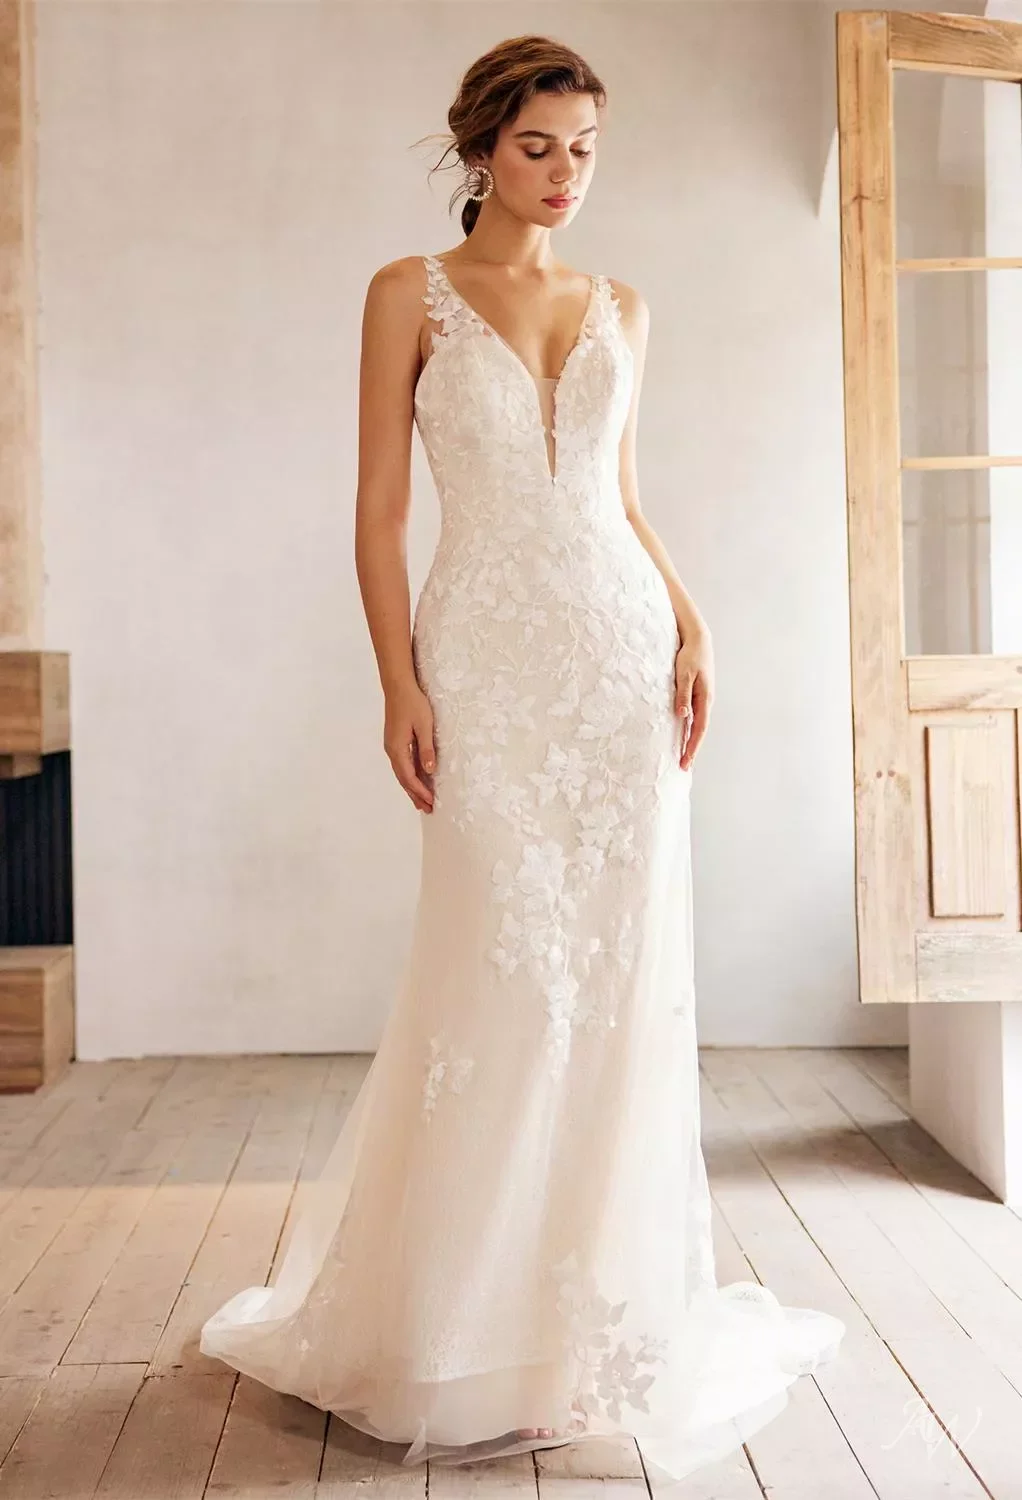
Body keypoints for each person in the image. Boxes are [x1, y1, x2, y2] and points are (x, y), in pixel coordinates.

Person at [200, 33, 845, 1487]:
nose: (565, 177)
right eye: (539, 147)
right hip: (485, 665)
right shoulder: (406, 296)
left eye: (586, 150)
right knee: (498, 969)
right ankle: (456, 1325)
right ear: (481, 146)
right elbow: (375, 514)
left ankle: (586, 1339)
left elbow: (619, 495)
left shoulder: (619, 302)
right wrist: (394, 683)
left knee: (616, 988)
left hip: (620, 666)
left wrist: (690, 623)